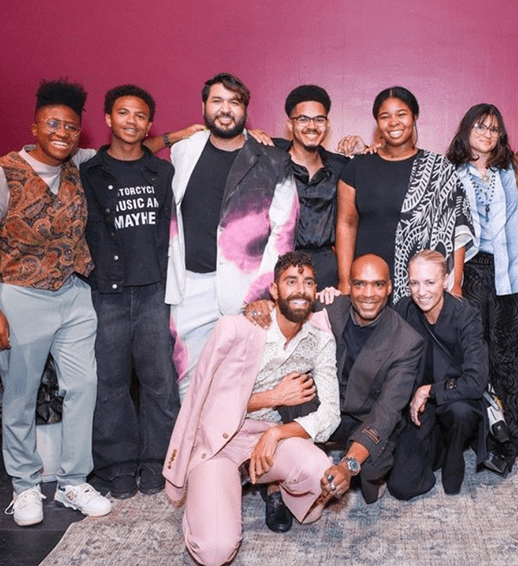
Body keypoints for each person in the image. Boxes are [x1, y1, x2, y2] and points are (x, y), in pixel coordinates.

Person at [163, 252, 339, 566]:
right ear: (274, 290)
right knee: (215, 550)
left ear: (315, 291)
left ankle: (274, 485)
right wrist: (273, 397)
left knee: (319, 472)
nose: (300, 290)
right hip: (221, 442)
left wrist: (276, 433)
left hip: (270, 439)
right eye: (291, 282)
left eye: (308, 283)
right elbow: (203, 398)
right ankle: (212, 493)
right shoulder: (236, 329)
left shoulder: (320, 339)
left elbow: (330, 413)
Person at [0, 79, 111, 526]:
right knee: (20, 396)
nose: (62, 133)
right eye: (52, 124)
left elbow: (132, 144)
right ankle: (25, 485)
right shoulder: (6, 172)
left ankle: (72, 482)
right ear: (35, 127)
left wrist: (182, 134)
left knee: (83, 386)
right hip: (20, 295)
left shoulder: (78, 164)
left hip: (73, 293)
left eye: (70, 126)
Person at [166, 72, 298, 398]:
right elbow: (132, 147)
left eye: (234, 102)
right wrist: (172, 135)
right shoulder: (183, 150)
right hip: (189, 287)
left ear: (245, 110)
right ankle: (194, 435)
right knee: (189, 385)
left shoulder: (273, 160)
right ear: (203, 107)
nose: (225, 109)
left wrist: (262, 293)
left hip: (245, 291)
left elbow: (283, 234)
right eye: (217, 101)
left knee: (242, 387)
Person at [81, 85, 180, 499]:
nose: (131, 121)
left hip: (155, 290)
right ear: (108, 118)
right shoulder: (89, 171)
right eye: (123, 113)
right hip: (108, 292)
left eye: (140, 115)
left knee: (160, 382)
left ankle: (158, 460)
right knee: (111, 383)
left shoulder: (162, 173)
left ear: (149, 124)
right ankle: (117, 464)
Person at [336, 86, 474, 303]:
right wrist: (345, 280)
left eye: (401, 114)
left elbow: (457, 229)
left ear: (414, 116)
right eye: (385, 116)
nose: (393, 122)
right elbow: (347, 224)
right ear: (377, 122)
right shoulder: (358, 167)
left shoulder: (440, 169)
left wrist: (456, 285)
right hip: (369, 284)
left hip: (421, 288)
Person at [449, 103, 518, 473]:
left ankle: (510, 444)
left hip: (509, 272)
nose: (487, 134)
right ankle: (483, 438)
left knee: (506, 357)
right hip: (471, 270)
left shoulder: (511, 171)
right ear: (466, 130)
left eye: (494, 129)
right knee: (475, 357)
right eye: (480, 126)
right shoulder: (450, 172)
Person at [320, 254, 424, 504]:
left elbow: (386, 411)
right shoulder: (330, 310)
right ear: (349, 286)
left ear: (389, 288)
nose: (368, 294)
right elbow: (290, 310)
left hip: (367, 416)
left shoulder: (407, 342)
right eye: (360, 284)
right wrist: (261, 309)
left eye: (377, 285)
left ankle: (366, 472)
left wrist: (348, 464)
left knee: (368, 467)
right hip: (329, 406)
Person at [389, 250, 489, 498]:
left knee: (460, 412)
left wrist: (430, 390)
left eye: (429, 282)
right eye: (414, 283)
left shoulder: (466, 315)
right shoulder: (404, 309)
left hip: (457, 398)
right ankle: (438, 449)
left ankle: (455, 454)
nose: (421, 291)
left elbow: (476, 381)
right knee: (401, 487)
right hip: (419, 406)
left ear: (445, 280)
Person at [271, 85, 361, 289]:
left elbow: (382, 165)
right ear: (290, 124)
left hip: (327, 269)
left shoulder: (341, 167)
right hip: (280, 261)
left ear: (327, 125)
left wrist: (365, 149)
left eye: (319, 119)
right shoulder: (271, 160)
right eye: (303, 119)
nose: (312, 126)